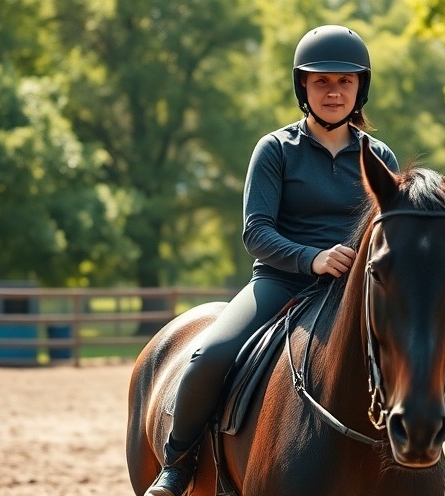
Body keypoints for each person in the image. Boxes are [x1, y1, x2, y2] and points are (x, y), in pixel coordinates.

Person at [144, 25, 399, 496]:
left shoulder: (378, 155)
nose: (334, 91)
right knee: (208, 354)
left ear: (360, 87)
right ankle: (177, 464)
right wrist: (313, 259)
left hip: (354, 292)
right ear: (302, 86)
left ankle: (426, 463)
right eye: (321, 81)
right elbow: (255, 232)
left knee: (418, 354)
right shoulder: (276, 149)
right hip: (280, 284)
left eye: (345, 81)